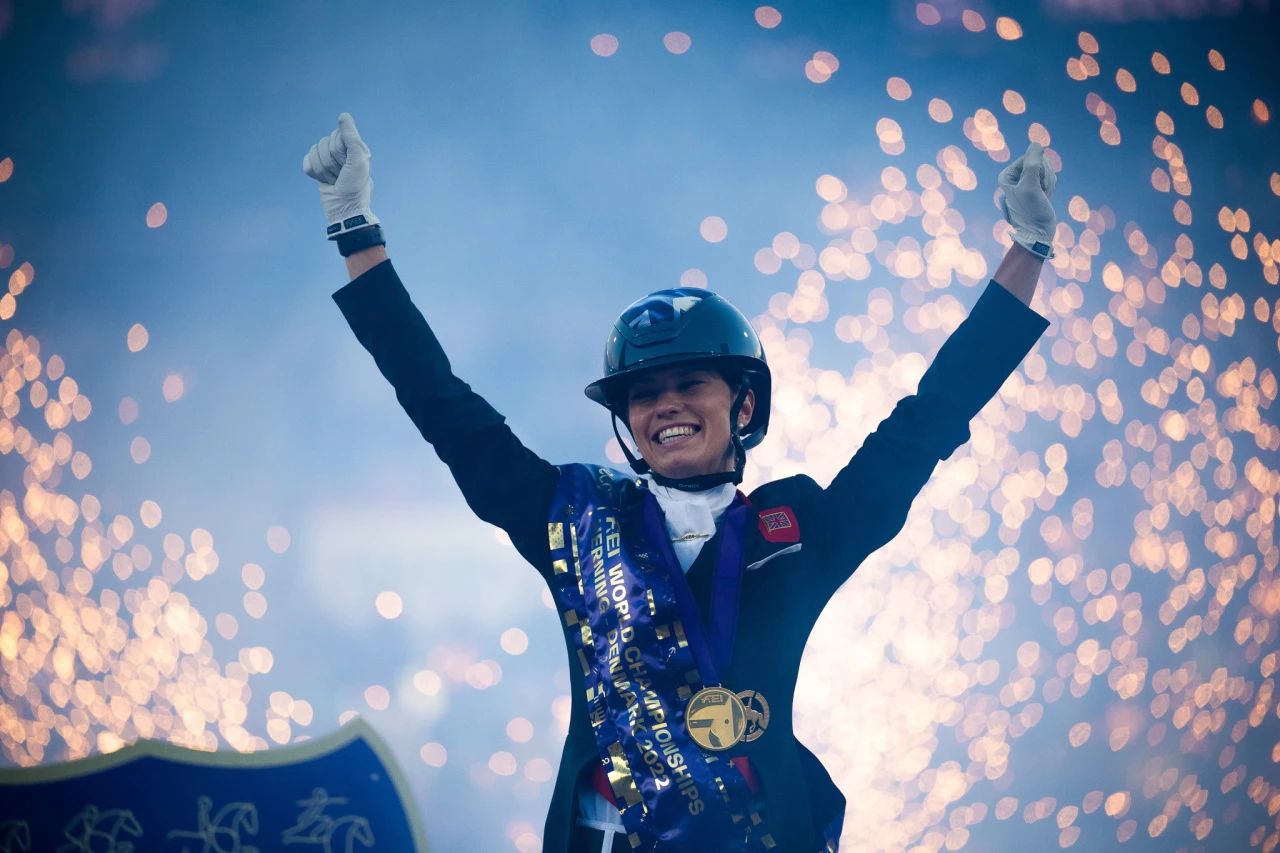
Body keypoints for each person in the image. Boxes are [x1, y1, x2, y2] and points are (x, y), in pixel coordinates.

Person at [304, 113, 1057, 852]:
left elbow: (926, 421)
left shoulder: (802, 530)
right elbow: (442, 404)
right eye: (644, 393)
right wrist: (356, 231)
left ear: (744, 405)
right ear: (628, 422)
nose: (665, 404)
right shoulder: (572, 517)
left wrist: (1027, 250)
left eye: (690, 383)